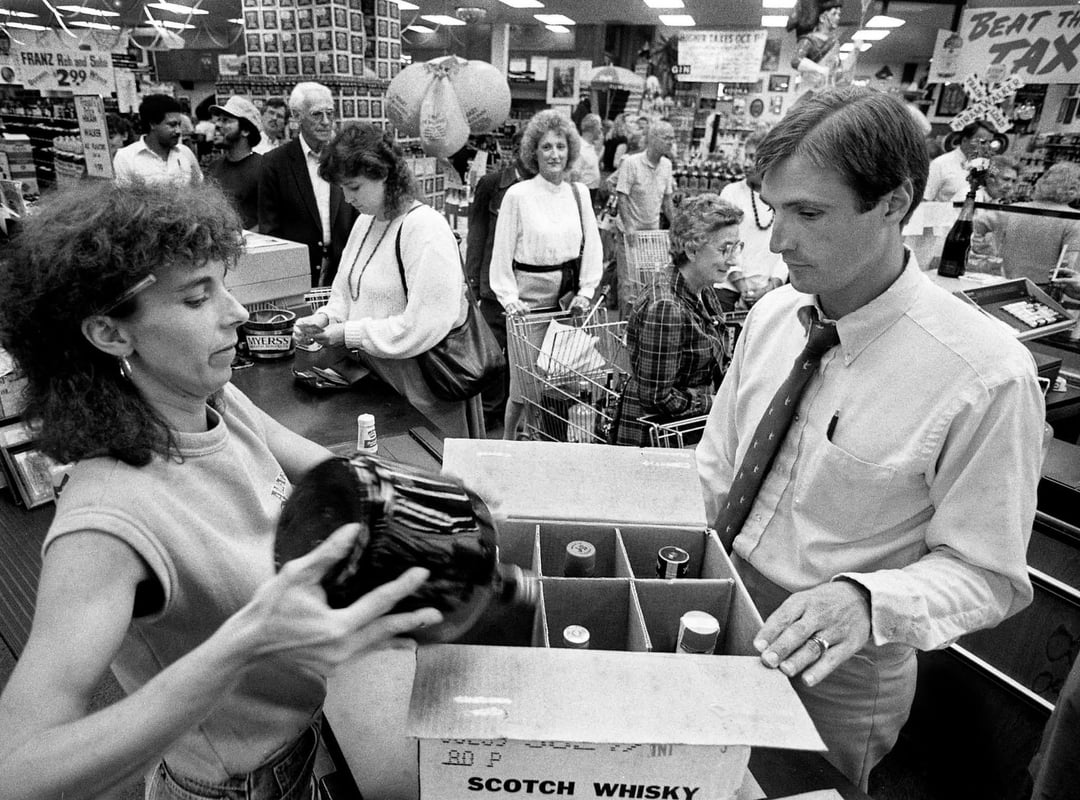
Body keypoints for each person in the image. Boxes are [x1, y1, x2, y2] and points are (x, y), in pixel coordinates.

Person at [0, 180, 440, 799]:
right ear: (110, 333)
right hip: (238, 785)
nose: (236, 312)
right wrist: (245, 644)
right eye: (196, 297)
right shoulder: (104, 523)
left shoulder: (211, 399)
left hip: (309, 737)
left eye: (223, 284)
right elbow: (18, 769)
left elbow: (327, 472)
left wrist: (429, 501)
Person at [696, 86, 1043, 790]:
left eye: (809, 214)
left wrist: (865, 600)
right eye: (773, 208)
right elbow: (718, 465)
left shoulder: (984, 375)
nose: (777, 241)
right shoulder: (773, 317)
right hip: (715, 603)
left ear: (893, 203)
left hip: (836, 666)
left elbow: (988, 571)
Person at [293, 123, 480, 440]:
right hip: (375, 378)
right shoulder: (365, 222)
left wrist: (347, 333)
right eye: (342, 188)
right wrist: (325, 318)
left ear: (384, 175)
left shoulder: (425, 228)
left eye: (354, 187)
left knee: (425, 462)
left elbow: (425, 325)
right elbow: (345, 293)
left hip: (423, 387)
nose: (347, 198)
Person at [489, 109, 603, 440]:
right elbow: (502, 251)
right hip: (528, 302)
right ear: (534, 152)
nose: (554, 154)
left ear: (571, 150)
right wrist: (509, 298)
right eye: (546, 147)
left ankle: (543, 438)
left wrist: (586, 292)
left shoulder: (579, 193)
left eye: (560, 146)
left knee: (563, 381)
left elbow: (592, 245)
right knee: (524, 386)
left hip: (568, 302)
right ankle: (509, 441)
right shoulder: (518, 195)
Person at [614, 194, 738, 447]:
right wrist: (717, 403)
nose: (734, 259)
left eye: (737, 247)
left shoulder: (702, 288)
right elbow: (657, 397)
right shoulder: (666, 307)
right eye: (724, 249)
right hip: (656, 440)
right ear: (692, 250)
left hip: (683, 431)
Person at [259, 82, 357, 287]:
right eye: (317, 114)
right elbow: (270, 230)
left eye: (330, 113)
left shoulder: (344, 158)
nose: (326, 122)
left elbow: (357, 214)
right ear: (297, 116)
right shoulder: (276, 163)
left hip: (342, 272)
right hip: (296, 274)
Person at [465, 130, 532, 430]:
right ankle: (490, 414)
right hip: (494, 286)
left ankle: (516, 412)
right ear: (516, 150)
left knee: (526, 354)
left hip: (529, 290)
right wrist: (472, 283)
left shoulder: (547, 188)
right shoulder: (492, 185)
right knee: (492, 352)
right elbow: (477, 235)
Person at [717, 130, 788, 311]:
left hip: (768, 295)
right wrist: (743, 288)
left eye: (753, 157)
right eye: (746, 156)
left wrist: (771, 287)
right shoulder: (731, 193)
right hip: (728, 290)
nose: (746, 163)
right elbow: (723, 242)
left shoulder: (785, 197)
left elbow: (787, 245)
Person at [979, 162, 1080, 286]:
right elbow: (1068, 269)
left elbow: (977, 223)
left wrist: (984, 251)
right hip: (1043, 290)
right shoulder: (1075, 219)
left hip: (1007, 284)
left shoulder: (1015, 209)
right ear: (1073, 188)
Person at [614, 120, 677, 312]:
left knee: (649, 284)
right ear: (653, 139)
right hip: (630, 235)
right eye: (667, 138)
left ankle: (642, 323)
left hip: (652, 236)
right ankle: (624, 325)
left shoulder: (666, 165)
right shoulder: (631, 163)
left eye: (672, 138)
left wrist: (676, 226)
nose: (671, 142)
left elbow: (667, 200)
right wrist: (629, 226)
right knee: (628, 285)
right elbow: (622, 195)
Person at [113, 94, 203, 186]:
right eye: (172, 125)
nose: (178, 131)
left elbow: (199, 187)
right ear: (152, 124)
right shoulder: (126, 157)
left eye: (179, 125)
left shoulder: (185, 152)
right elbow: (124, 194)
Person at [207, 95, 263, 230]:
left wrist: (244, 238)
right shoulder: (213, 167)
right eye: (218, 120)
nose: (217, 125)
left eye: (226, 120)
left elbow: (272, 218)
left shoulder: (264, 168)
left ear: (245, 131)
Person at [923, 120, 995, 202]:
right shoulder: (940, 164)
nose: (987, 147)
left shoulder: (987, 166)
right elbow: (924, 200)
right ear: (965, 140)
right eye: (982, 142)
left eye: (990, 142)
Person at [787, 0, 845, 91]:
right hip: (810, 91)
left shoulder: (834, 43)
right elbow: (796, 61)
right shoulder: (809, 40)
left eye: (839, 14)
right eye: (834, 14)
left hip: (828, 90)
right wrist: (819, 69)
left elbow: (838, 69)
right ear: (822, 18)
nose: (838, 17)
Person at [573, 113, 604, 208]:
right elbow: (574, 174)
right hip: (582, 192)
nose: (601, 130)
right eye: (599, 127)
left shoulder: (591, 147)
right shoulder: (580, 148)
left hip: (592, 190)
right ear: (593, 128)